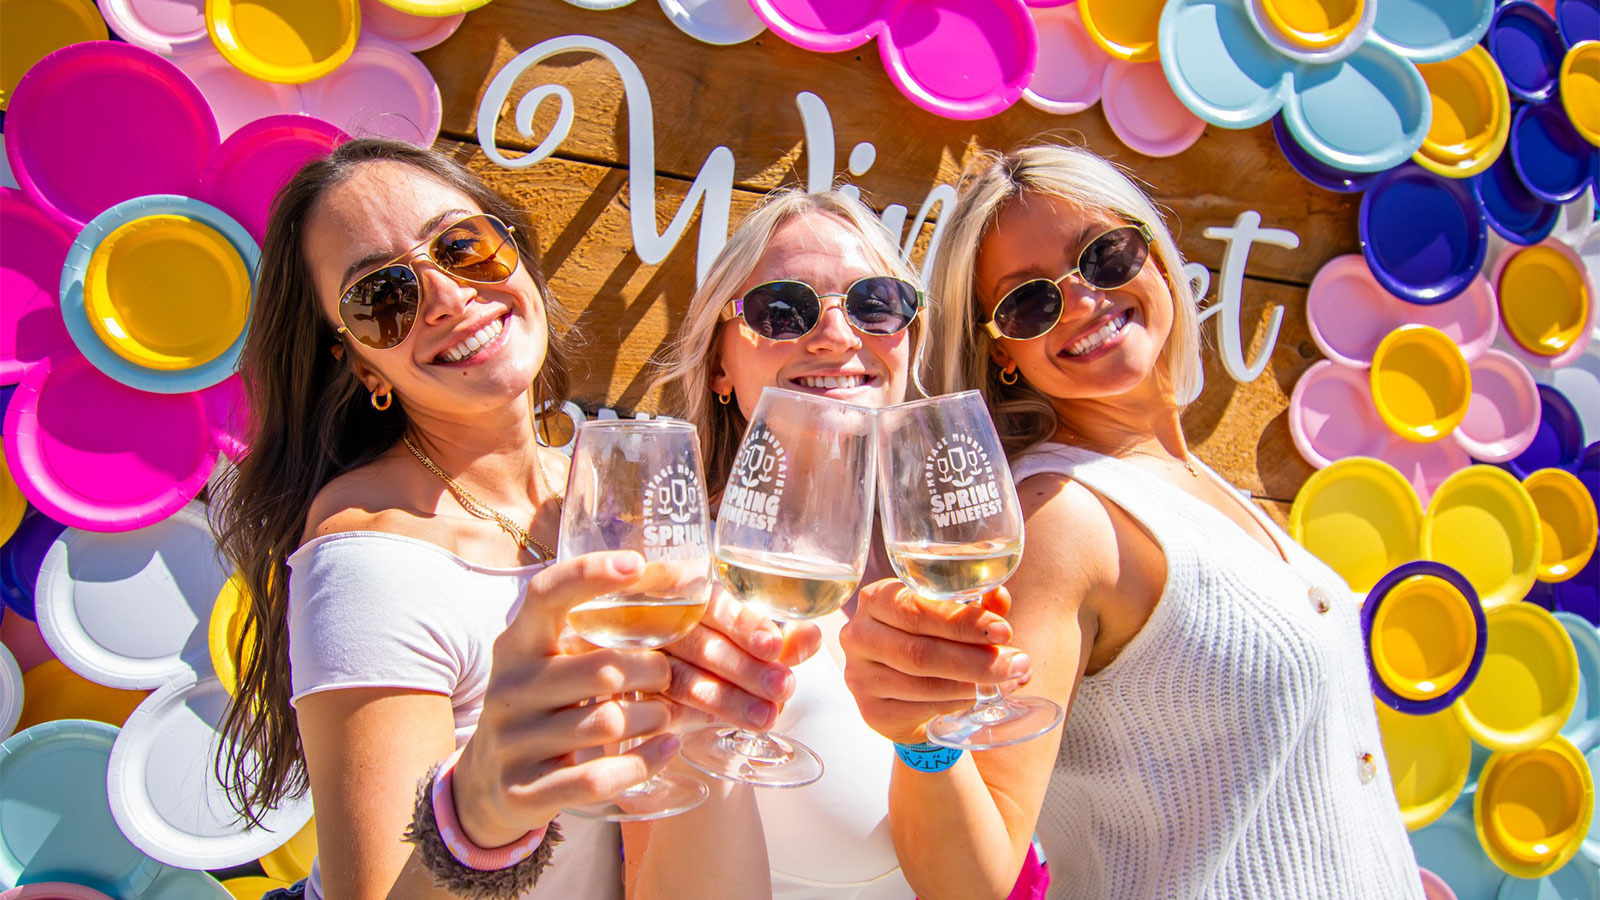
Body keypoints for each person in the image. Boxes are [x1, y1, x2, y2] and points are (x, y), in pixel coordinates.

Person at [840, 144, 1424, 899]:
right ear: (1005, 353)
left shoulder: (1196, 484)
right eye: (1031, 302)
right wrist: (925, 743)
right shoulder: (1062, 519)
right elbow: (968, 882)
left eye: (1105, 254)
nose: (1082, 298)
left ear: (1153, 253)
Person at [212, 139, 790, 900]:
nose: (447, 297)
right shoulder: (373, 553)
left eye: (463, 246)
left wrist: (701, 726)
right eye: (383, 298)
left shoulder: (600, 483)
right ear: (358, 362)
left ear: (513, 250)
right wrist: (474, 817)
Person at [640, 187, 977, 900]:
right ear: (720, 367)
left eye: (875, 303)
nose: (835, 337)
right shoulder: (676, 594)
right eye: (782, 311)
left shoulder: (955, 566)